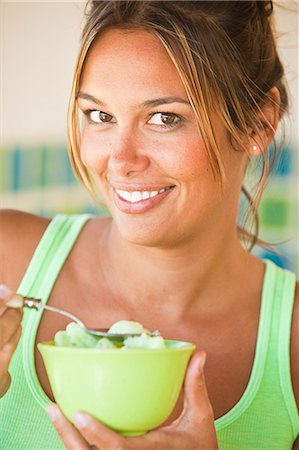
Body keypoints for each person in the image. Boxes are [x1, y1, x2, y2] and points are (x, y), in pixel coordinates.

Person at [0, 1, 298, 449]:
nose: (119, 161)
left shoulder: (292, 345)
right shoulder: (6, 262)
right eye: (99, 116)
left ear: (257, 122)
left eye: (165, 118)